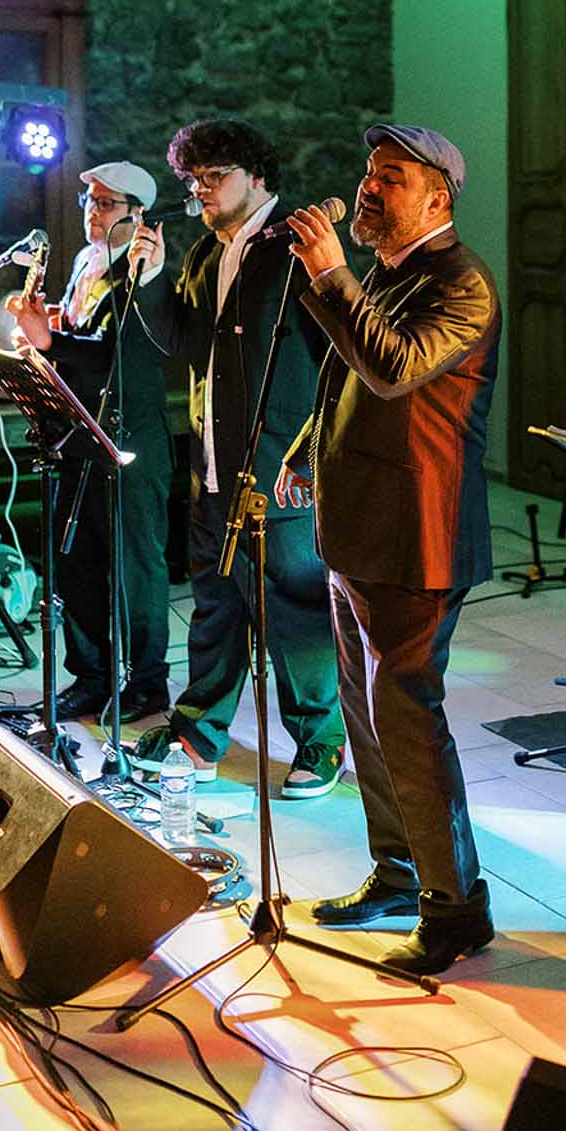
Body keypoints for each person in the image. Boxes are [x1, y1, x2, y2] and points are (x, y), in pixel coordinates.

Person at [275, 123, 501, 977]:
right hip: (359, 527)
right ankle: (401, 874)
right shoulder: (388, 272)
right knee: (368, 716)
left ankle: (457, 910)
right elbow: (344, 377)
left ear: (437, 197)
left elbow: (393, 366)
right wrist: (305, 444)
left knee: (407, 719)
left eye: (390, 179)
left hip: (417, 538)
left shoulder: (464, 284)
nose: (368, 190)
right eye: (369, 175)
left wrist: (330, 274)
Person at [125, 118, 345, 795]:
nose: (200, 192)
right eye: (193, 180)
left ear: (256, 177)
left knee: (295, 608)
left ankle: (321, 742)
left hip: (281, 466)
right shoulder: (201, 255)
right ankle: (198, 731)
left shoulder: (297, 248)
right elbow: (186, 348)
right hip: (213, 462)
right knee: (216, 602)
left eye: (213, 178)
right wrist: (153, 277)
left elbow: (341, 357)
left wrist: (311, 459)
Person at [10, 162, 173, 721]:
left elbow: (120, 356)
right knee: (75, 558)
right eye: (89, 200)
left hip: (131, 435)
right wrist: (47, 331)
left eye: (106, 203)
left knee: (133, 566)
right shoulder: (84, 262)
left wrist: (51, 341)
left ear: (137, 214)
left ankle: (148, 681)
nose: (92, 211)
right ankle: (93, 675)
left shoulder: (145, 268)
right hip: (80, 430)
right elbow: (83, 342)